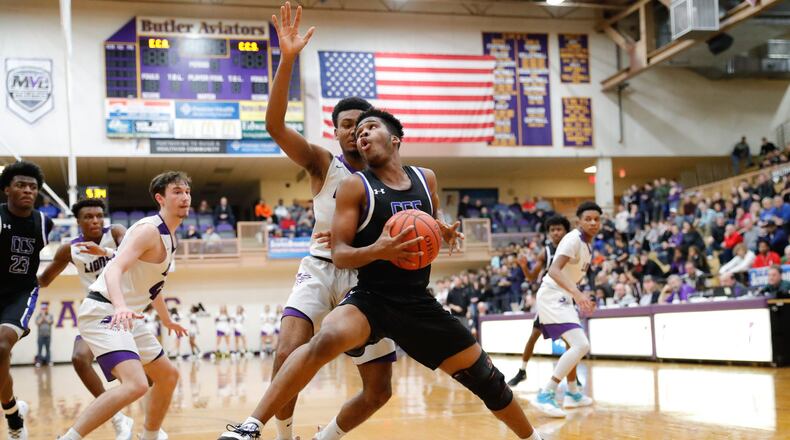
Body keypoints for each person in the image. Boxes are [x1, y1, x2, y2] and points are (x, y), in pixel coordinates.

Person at [220, 108, 541, 440]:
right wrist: (379, 250)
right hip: (371, 297)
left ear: (395, 139)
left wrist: (440, 227)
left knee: (487, 379)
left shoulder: (426, 177)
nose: (362, 134)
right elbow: (341, 255)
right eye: (358, 132)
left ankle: (534, 438)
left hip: (417, 302)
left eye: (370, 127)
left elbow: (430, 212)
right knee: (325, 339)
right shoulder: (354, 187)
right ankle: (251, 426)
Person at [220, 6, 397, 440]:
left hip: (368, 274)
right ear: (335, 133)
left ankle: (326, 437)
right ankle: (283, 434)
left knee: (378, 391)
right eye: (345, 125)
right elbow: (274, 125)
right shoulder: (323, 163)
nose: (354, 132)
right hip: (321, 265)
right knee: (287, 351)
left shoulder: (390, 175)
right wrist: (287, 59)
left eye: (361, 125)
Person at [57, 171, 190, 440]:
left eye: (187, 192)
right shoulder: (148, 230)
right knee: (136, 384)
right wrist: (119, 306)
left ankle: (149, 436)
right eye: (177, 192)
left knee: (168, 376)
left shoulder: (171, 237)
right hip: (105, 310)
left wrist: (166, 320)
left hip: (129, 318)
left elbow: (153, 286)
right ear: (160, 198)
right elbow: (113, 269)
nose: (185, 197)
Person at [36, 198, 134, 439]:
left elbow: (131, 258)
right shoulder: (70, 249)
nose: (95, 220)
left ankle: (154, 428)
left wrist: (108, 252)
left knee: (147, 378)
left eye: (99, 215)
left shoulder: (118, 233)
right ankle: (118, 418)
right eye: (89, 217)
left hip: (126, 308)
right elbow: (44, 280)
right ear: (77, 222)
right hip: (98, 310)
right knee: (80, 358)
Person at [1, 161, 54, 440]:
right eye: (21, 185)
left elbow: (61, 257)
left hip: (20, 293)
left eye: (33, 187)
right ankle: (12, 411)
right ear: (7, 188)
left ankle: (14, 424)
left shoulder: (44, 222)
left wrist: (44, 279)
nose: (27, 191)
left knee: (1, 346)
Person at [532, 202, 600, 418]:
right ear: (578, 221)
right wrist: (578, 295)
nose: (592, 222)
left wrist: (581, 295)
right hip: (553, 295)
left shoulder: (587, 244)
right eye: (587, 218)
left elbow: (573, 276)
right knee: (581, 344)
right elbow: (553, 270)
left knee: (575, 344)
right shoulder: (572, 239)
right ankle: (546, 393)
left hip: (564, 296)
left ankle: (572, 393)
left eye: (596, 219)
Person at [508, 215, 579, 388]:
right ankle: (522, 371)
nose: (556, 233)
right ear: (548, 233)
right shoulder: (545, 252)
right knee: (534, 336)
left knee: (572, 343)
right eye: (552, 230)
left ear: (565, 231)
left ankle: (572, 379)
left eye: (559, 229)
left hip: (567, 298)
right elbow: (532, 277)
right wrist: (524, 267)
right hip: (549, 300)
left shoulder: (574, 249)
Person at [35, 302, 54, 367]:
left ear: (47, 309)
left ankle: (48, 361)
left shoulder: (50, 315)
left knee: (48, 350)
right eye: (43, 309)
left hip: (48, 336)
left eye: (45, 309)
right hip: (40, 336)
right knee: (39, 350)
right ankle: (39, 362)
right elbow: (38, 323)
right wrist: (42, 316)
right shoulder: (38, 316)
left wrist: (44, 317)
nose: (44, 310)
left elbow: (50, 322)